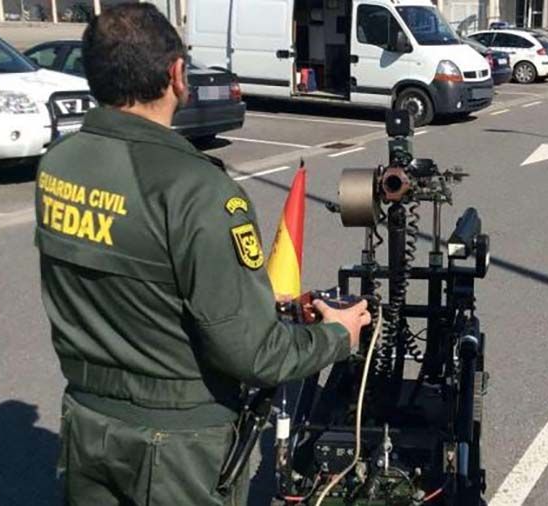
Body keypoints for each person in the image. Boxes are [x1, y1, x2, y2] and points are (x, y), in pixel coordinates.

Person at [34, 4, 371, 505]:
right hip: (177, 448)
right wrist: (335, 338)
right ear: (175, 74)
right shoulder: (197, 189)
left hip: (87, 424)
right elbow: (253, 352)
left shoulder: (58, 165)